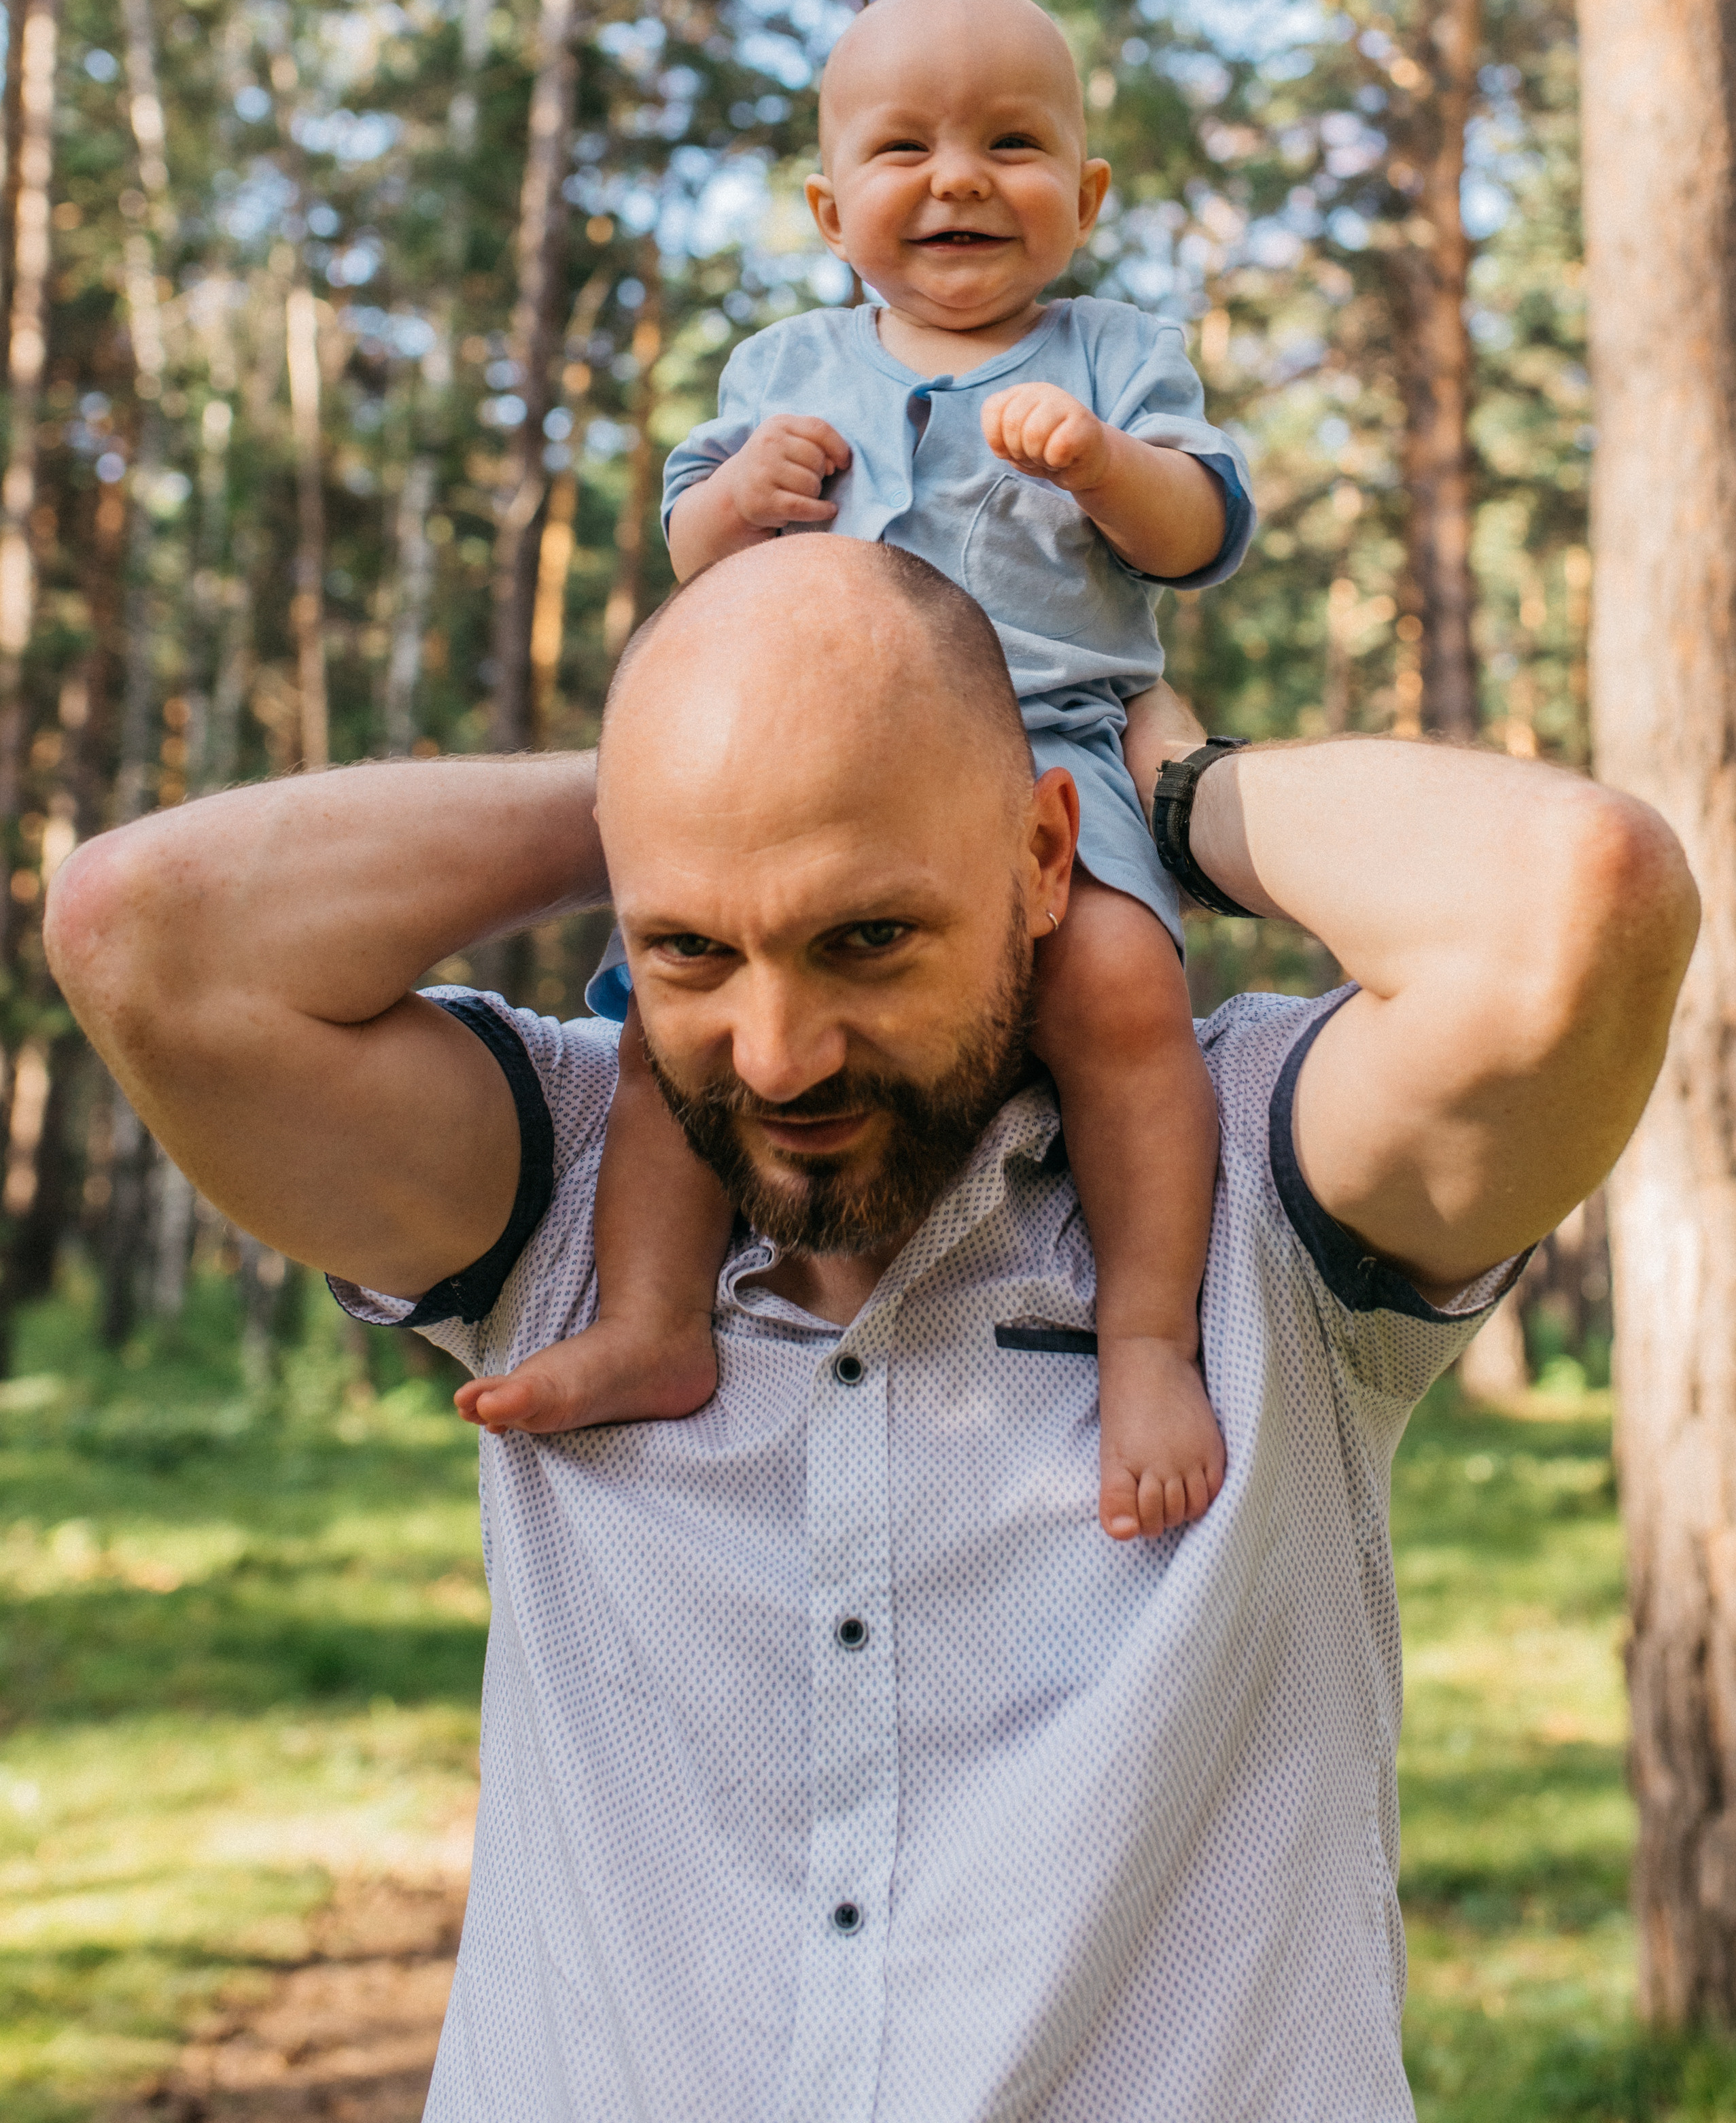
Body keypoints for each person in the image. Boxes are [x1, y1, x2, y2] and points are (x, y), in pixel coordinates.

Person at [46, 538, 1693, 2123]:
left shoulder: (1250, 1193)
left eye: (866, 936)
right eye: (690, 945)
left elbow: (1584, 902)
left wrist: (1174, 790)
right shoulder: (572, 1196)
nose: (776, 1053)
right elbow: (142, 932)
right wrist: (664, 790)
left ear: (1041, 857)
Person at [459, 0, 1256, 1542]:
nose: (958, 178)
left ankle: (1147, 1338)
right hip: (800, 776)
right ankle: (651, 1317)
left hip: (1049, 742)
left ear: (1085, 193)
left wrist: (1104, 463)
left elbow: (1199, 531)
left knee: (1119, 991)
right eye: (904, 148)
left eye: (1010, 143)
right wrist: (741, 490)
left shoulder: (1113, 352)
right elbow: (691, 546)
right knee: (671, 1031)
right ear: (830, 208)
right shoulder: (784, 364)